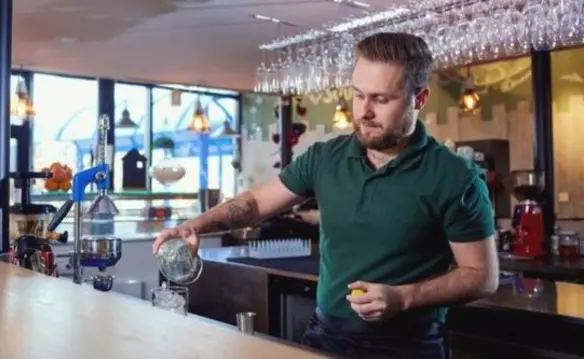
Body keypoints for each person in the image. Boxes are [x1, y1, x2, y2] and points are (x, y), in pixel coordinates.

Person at [153, 32, 499, 359]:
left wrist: (404, 297)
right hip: (324, 335)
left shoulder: (455, 176)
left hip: (408, 345)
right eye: (358, 94)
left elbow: (481, 275)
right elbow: (256, 203)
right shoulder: (325, 158)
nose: (363, 111)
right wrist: (195, 225)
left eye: (381, 99)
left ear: (419, 98)